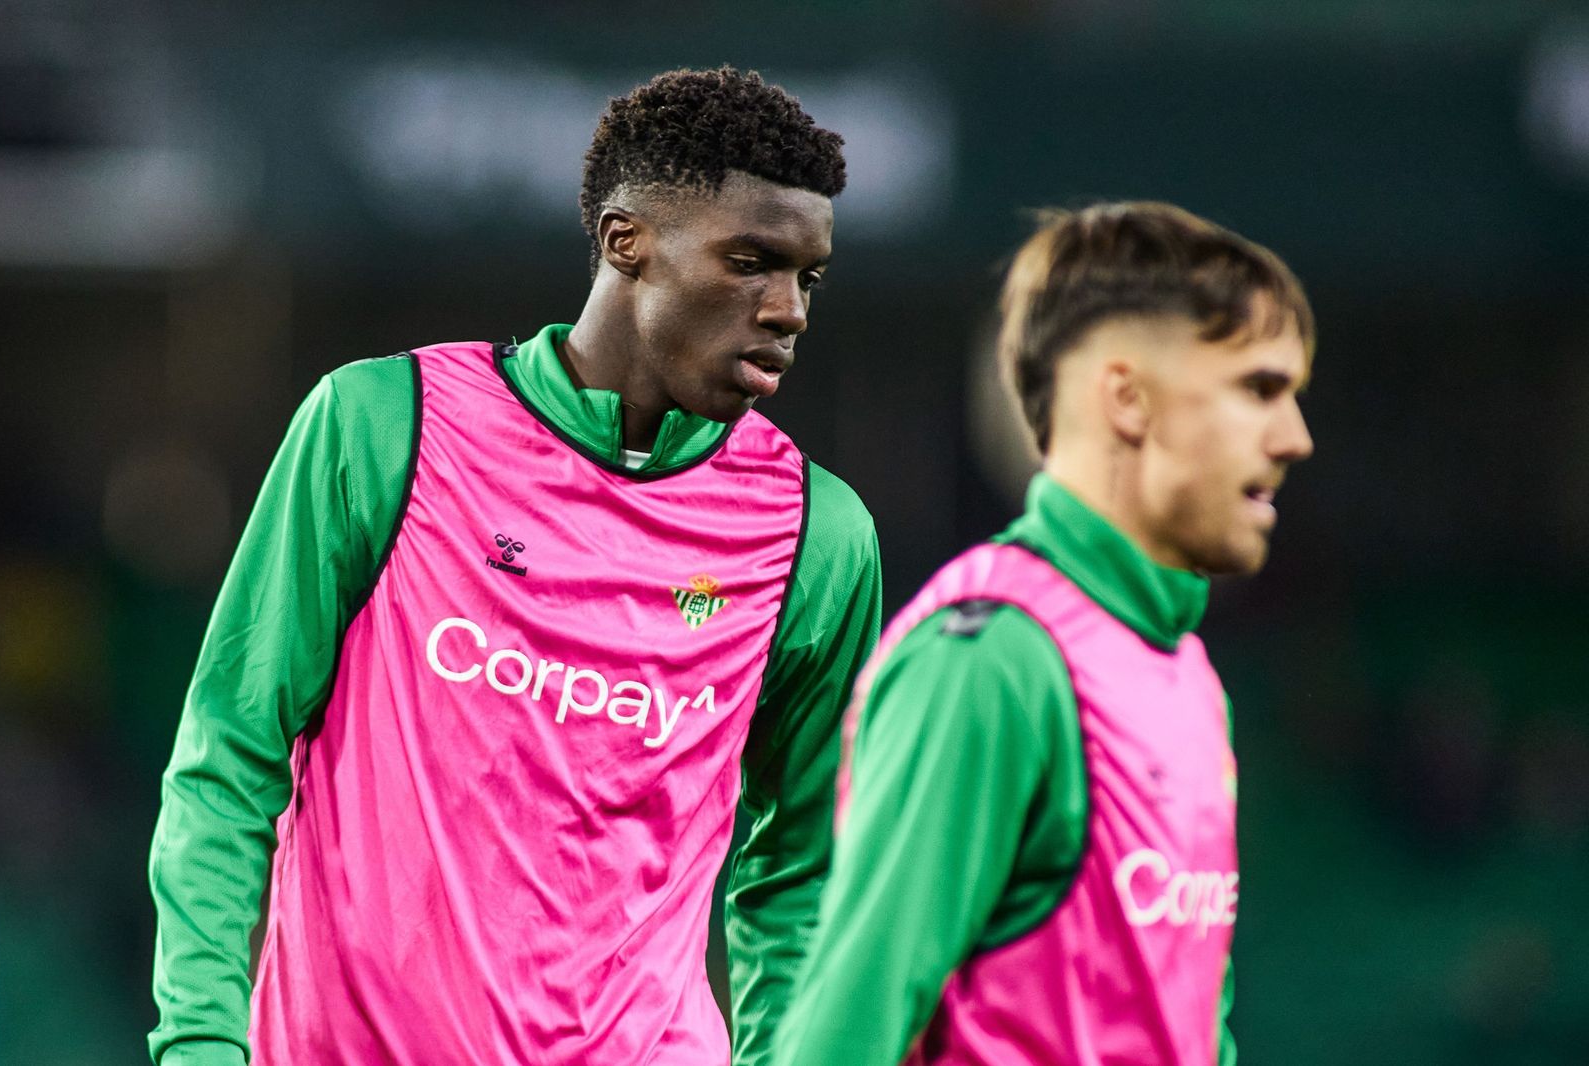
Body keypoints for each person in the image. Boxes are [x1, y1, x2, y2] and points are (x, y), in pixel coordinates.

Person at [148, 66, 881, 1066]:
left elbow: (800, 868)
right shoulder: (383, 428)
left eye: (809, 276)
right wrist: (198, 1039)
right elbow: (230, 756)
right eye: (752, 260)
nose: (788, 307)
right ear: (628, 242)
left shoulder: (815, 534)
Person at [774, 201, 1315, 1066]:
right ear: (1127, 397)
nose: (1295, 438)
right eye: (1257, 389)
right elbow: (843, 1036)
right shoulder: (989, 661)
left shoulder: (1188, 675)